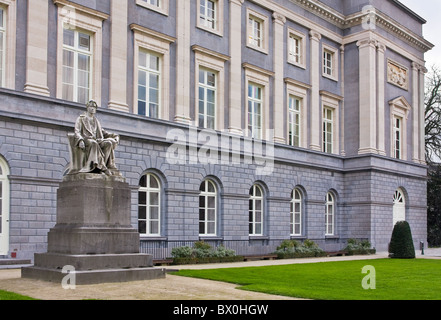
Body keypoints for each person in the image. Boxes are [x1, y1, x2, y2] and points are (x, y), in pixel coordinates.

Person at [73, 100, 120, 176]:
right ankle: (102, 168)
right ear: (87, 108)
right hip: (86, 140)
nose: (92, 109)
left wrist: (115, 136)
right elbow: (77, 131)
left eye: (94, 107)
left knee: (108, 143)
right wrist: (80, 140)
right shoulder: (81, 119)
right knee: (94, 143)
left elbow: (104, 132)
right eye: (91, 107)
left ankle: (100, 167)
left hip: (97, 141)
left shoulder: (96, 121)